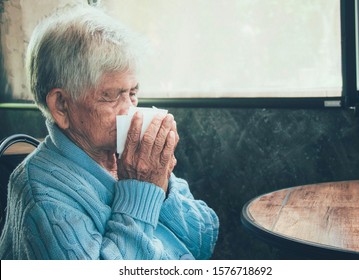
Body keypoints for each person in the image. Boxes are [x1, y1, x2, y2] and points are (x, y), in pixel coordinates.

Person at [0, 5, 219, 260]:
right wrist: (141, 191)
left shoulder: (131, 157)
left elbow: (205, 237)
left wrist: (162, 184)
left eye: (133, 93)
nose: (129, 110)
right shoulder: (41, 195)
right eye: (111, 96)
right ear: (61, 105)